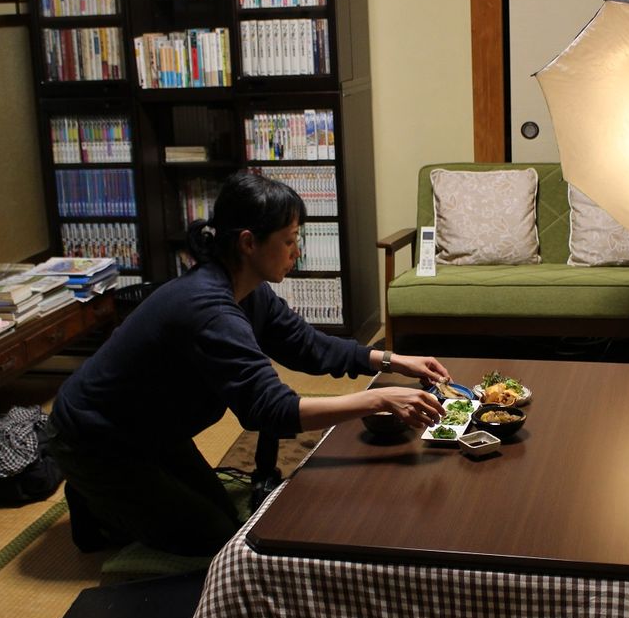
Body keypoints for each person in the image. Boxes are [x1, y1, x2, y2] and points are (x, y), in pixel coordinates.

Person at [45, 171, 449, 556]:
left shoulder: (248, 290)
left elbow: (307, 345)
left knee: (218, 513)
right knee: (212, 538)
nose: (297, 251)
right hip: (98, 436)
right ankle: (91, 497)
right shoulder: (209, 310)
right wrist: (379, 400)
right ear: (248, 243)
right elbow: (270, 410)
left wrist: (392, 360)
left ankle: (109, 496)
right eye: (289, 240)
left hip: (154, 430)